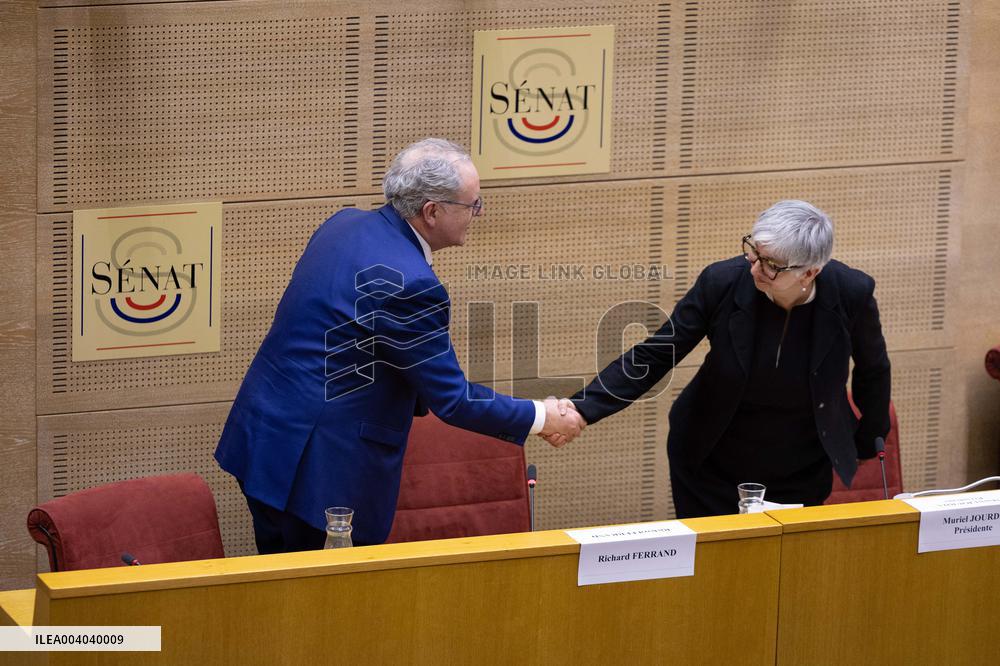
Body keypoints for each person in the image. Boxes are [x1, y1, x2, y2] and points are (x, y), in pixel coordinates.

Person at [215, 138, 585, 553]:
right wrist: (544, 416)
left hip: (264, 442)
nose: (478, 214)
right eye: (472, 205)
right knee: (316, 608)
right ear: (432, 211)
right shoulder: (411, 284)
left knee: (278, 589)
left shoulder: (344, 224)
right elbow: (454, 399)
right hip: (317, 478)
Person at [558, 200, 891, 517]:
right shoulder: (723, 281)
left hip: (801, 464)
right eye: (754, 253)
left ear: (809, 272)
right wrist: (584, 408)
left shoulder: (851, 293)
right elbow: (657, 352)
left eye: (771, 265)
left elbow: (873, 369)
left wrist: (867, 441)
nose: (756, 269)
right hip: (711, 459)